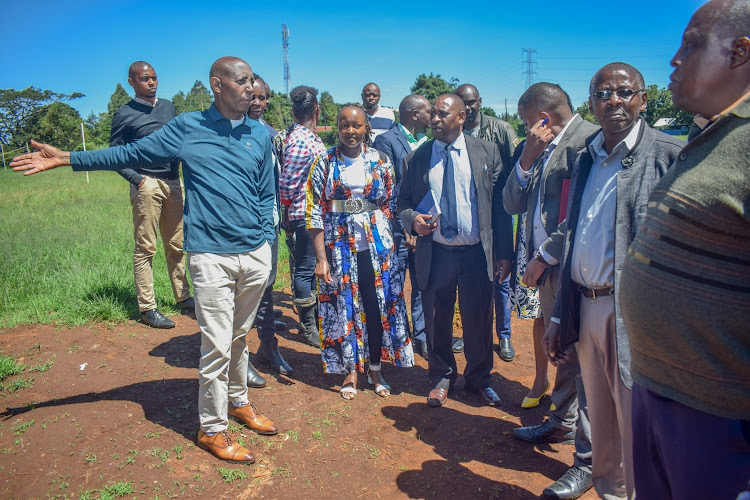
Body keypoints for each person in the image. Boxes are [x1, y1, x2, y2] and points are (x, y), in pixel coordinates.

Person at [12, 56, 280, 464]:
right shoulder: (188, 127)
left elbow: (265, 191)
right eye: (242, 82)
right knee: (216, 345)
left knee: (241, 337)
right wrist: (67, 157)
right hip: (210, 256)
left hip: (253, 254)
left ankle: (239, 402)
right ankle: (212, 428)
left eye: (252, 83)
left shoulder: (258, 135)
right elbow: (130, 152)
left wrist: (264, 238)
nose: (250, 89)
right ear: (217, 84)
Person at [619, 1, 750, 497]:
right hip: (659, 389)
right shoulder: (712, 134)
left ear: (740, 53)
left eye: (691, 43)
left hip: (718, 415)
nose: (673, 59)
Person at [542, 63, 684, 499]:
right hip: (586, 305)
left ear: (643, 99)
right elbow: (574, 228)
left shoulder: (668, 154)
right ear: (591, 103)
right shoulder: (585, 155)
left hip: (635, 315)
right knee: (599, 418)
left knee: (639, 423)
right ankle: (611, 492)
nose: (614, 101)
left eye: (625, 92)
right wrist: (559, 314)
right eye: (603, 94)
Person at [504, 83, 598, 499]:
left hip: (576, 269)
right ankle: (561, 422)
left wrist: (544, 253)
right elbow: (511, 203)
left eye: (529, 122)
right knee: (560, 349)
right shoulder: (542, 146)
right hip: (547, 271)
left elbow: (583, 214)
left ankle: (589, 461)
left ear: (545, 117)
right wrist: (527, 155)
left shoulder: (589, 142)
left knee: (588, 362)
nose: (528, 129)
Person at [397, 94, 513, 408]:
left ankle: (479, 380)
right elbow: (403, 203)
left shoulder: (486, 152)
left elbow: (501, 208)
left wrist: (505, 253)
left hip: (477, 253)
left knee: (478, 319)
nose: (434, 119)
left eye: (442, 114)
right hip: (437, 253)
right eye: (432, 113)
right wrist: (413, 221)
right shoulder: (416, 158)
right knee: (436, 318)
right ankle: (440, 379)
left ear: (461, 117)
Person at [306, 103, 414, 399]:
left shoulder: (380, 161)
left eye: (356, 125)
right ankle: (351, 370)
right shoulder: (324, 162)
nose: (350, 131)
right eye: (344, 125)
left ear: (366, 127)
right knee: (345, 309)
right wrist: (320, 258)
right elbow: (314, 211)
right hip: (339, 248)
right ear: (337, 127)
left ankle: (376, 368)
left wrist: (400, 238)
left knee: (376, 306)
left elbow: (391, 204)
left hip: (377, 249)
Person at [110, 61, 193, 329]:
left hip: (173, 183)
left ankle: (184, 299)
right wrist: (139, 180)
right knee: (146, 248)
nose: (152, 82)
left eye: (155, 78)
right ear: (131, 82)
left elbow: (180, 141)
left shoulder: (169, 107)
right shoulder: (124, 114)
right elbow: (115, 155)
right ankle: (148, 308)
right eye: (145, 79)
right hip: (147, 184)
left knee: (177, 245)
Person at [455, 84, 517, 360]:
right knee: (467, 279)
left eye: (471, 103)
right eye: (462, 103)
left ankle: (504, 336)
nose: (467, 108)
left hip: (496, 213)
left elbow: (517, 167)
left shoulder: (501, 130)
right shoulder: (453, 129)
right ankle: (469, 335)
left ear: (479, 101)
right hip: (466, 219)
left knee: (500, 278)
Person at [372, 94, 431, 359]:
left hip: (426, 227)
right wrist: (406, 227)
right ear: (415, 114)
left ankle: (422, 335)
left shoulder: (429, 142)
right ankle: (398, 336)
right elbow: (388, 190)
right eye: (429, 112)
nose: (434, 117)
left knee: (422, 283)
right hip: (398, 231)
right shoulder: (386, 141)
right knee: (395, 282)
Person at [246, 76, 293, 380]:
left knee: (267, 284)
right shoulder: (233, 134)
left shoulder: (271, 134)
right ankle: (238, 357)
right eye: (254, 97)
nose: (259, 104)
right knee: (243, 292)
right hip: (244, 227)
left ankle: (267, 346)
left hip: (270, 223)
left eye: (264, 98)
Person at [280, 86, 326, 348]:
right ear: (316, 110)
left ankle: (314, 321)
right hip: (303, 214)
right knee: (306, 269)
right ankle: (307, 327)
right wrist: (288, 210)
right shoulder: (300, 140)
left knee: (309, 269)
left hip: (312, 214)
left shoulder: (307, 136)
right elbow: (287, 185)